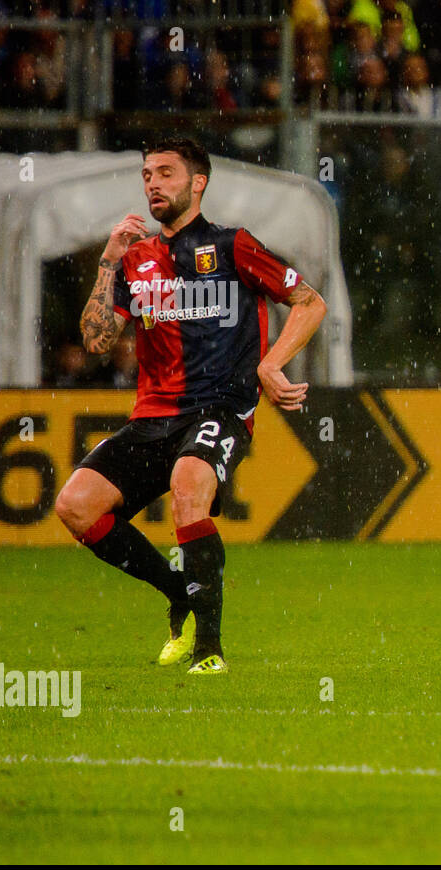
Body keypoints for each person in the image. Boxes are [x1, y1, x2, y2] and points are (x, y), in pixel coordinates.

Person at [53, 138, 327, 675]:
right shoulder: (135, 261)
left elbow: (308, 301)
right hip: (153, 417)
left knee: (188, 482)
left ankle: (210, 648)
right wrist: (109, 262)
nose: (152, 183)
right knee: (75, 506)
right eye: (147, 174)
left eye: (165, 173)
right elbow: (96, 339)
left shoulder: (232, 246)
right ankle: (180, 593)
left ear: (197, 182)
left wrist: (272, 364)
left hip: (220, 409)